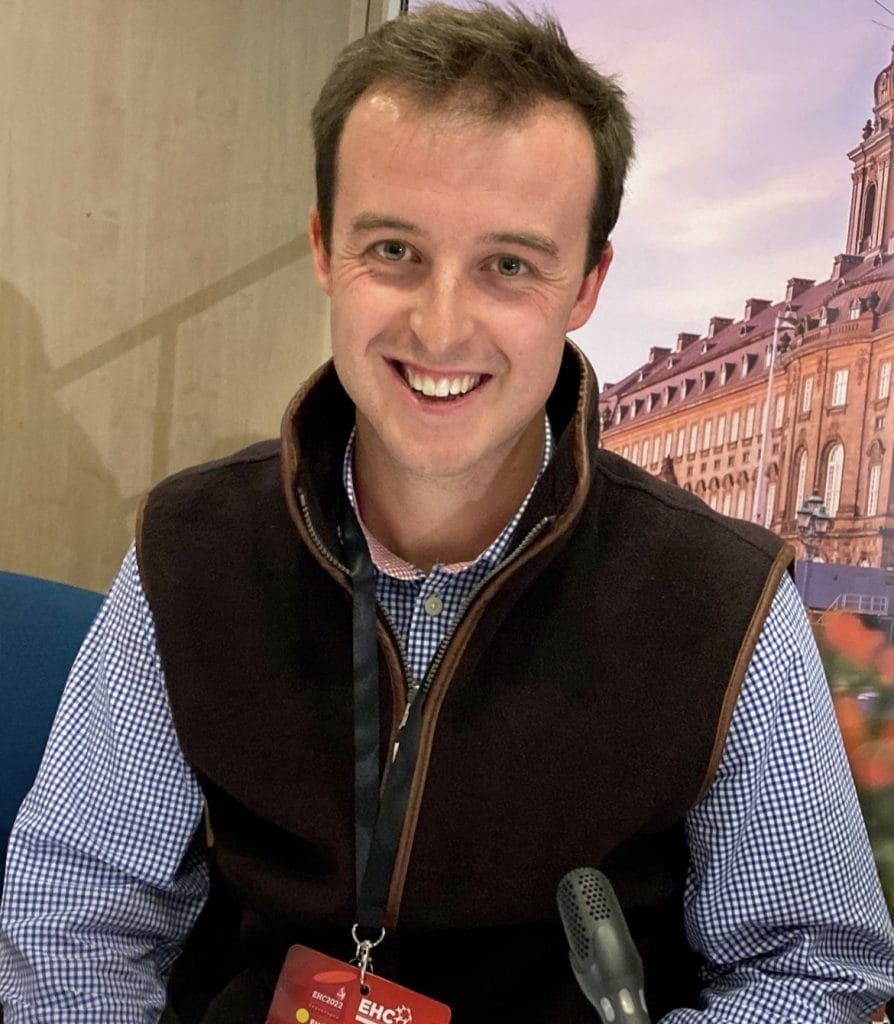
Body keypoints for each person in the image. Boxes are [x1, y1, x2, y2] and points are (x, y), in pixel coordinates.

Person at [1, 4, 893, 1022]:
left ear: (586, 284)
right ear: (324, 248)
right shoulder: (190, 546)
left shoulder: (726, 602)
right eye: (394, 249)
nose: (440, 327)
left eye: (509, 265)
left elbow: (813, 971)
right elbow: (75, 915)